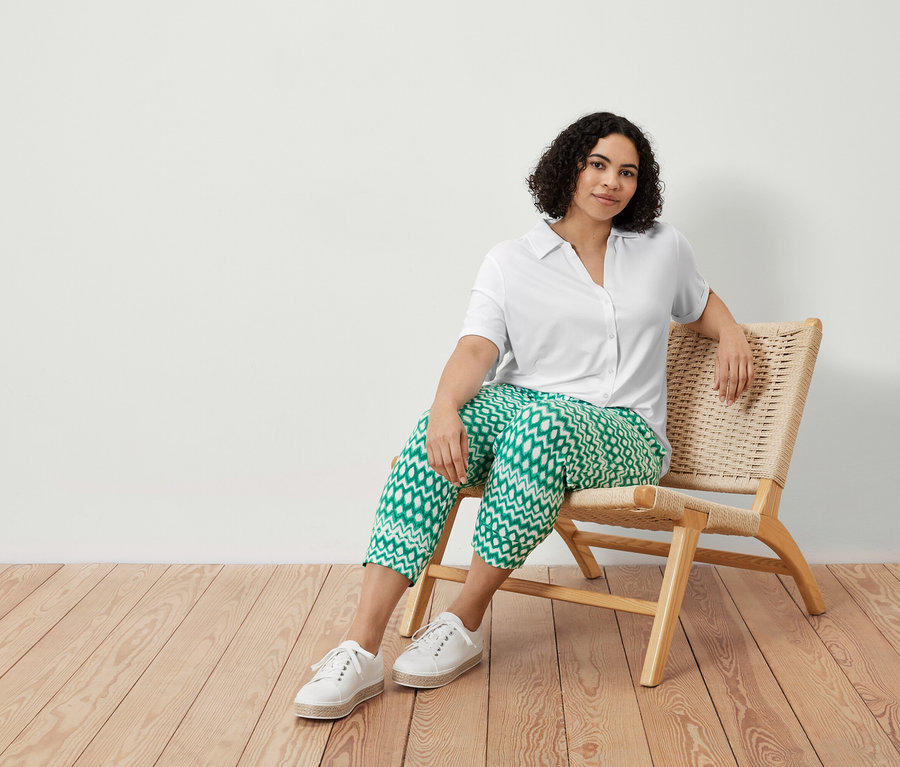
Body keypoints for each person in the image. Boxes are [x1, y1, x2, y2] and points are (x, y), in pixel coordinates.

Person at [294, 112, 754, 720]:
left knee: (538, 431)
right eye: (597, 165)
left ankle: (463, 621)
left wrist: (732, 336)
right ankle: (360, 647)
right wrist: (442, 408)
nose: (611, 182)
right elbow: (477, 349)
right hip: (520, 404)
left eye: (627, 172)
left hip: (624, 428)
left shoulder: (661, 247)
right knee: (437, 438)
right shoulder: (511, 260)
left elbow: (700, 304)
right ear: (569, 167)